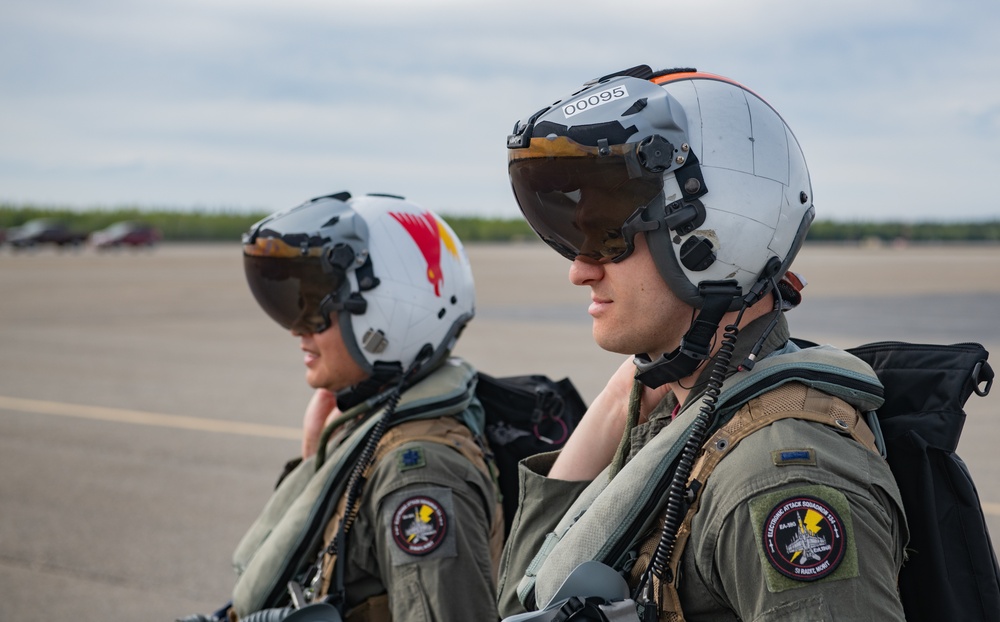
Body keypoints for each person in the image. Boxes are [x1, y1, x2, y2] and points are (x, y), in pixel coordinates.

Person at [495, 66, 908, 621]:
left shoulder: (779, 479)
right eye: (577, 239)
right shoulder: (682, 414)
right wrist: (626, 396)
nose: (580, 272)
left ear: (710, 240)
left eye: (608, 238)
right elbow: (528, 595)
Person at [182, 192, 504, 622]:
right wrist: (318, 453)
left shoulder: (419, 472)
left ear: (387, 314)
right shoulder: (373, 426)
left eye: (314, 307)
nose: (297, 329)